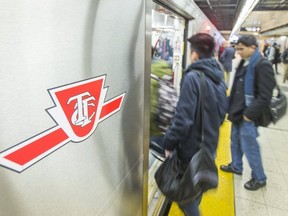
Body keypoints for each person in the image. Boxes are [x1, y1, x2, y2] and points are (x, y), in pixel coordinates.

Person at [162, 33, 227, 216]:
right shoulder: (219, 78)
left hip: (191, 150)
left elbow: (183, 120)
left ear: (195, 54)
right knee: (195, 187)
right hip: (209, 147)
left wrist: (169, 142)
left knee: (185, 198)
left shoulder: (192, 78)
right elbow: (222, 115)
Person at [220, 35, 276, 191]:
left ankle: (259, 178)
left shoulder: (262, 65)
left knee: (250, 147)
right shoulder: (245, 62)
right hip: (237, 112)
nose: (238, 52)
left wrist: (249, 115)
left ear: (253, 47)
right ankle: (237, 166)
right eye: (237, 49)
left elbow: (265, 96)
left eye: (241, 49)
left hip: (248, 115)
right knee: (235, 141)